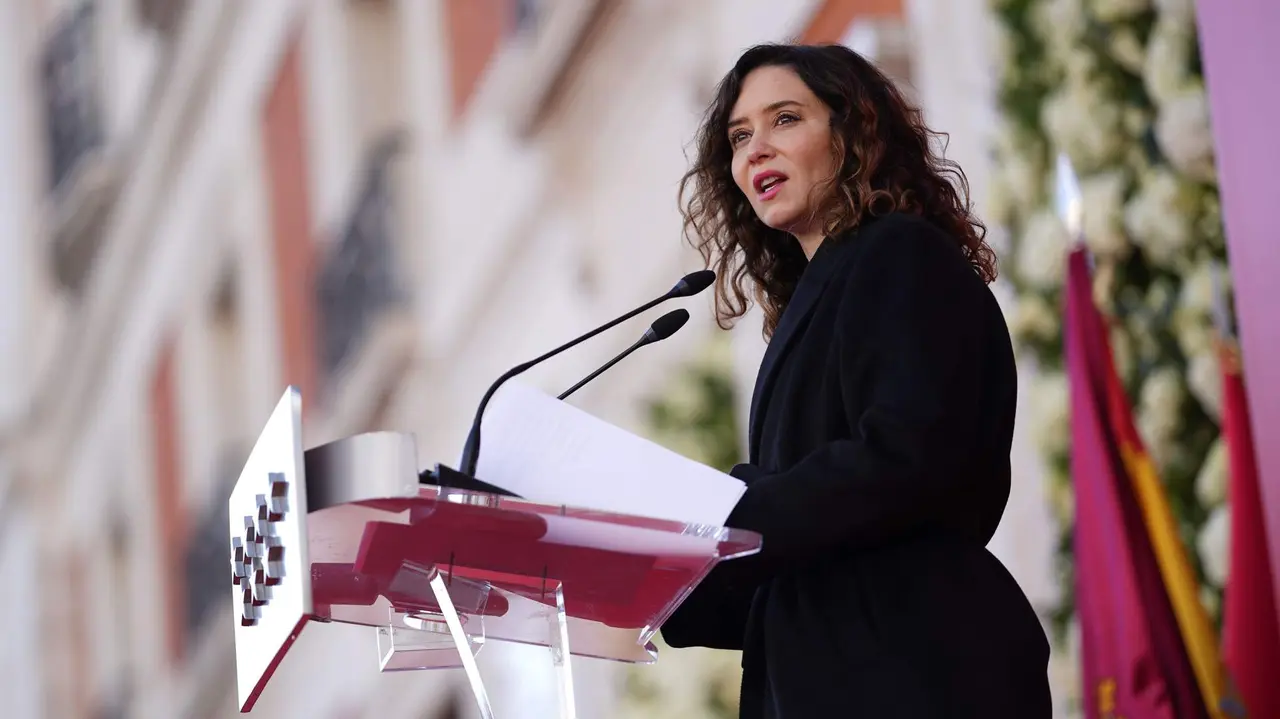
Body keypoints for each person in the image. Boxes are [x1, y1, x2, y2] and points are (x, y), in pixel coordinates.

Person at [659, 43, 1051, 718]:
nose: (756, 150)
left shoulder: (898, 255)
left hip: (916, 665)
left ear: (851, 133)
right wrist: (661, 574)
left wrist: (730, 516)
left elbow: (906, 457)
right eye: (740, 135)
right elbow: (803, 549)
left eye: (785, 119)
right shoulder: (812, 305)